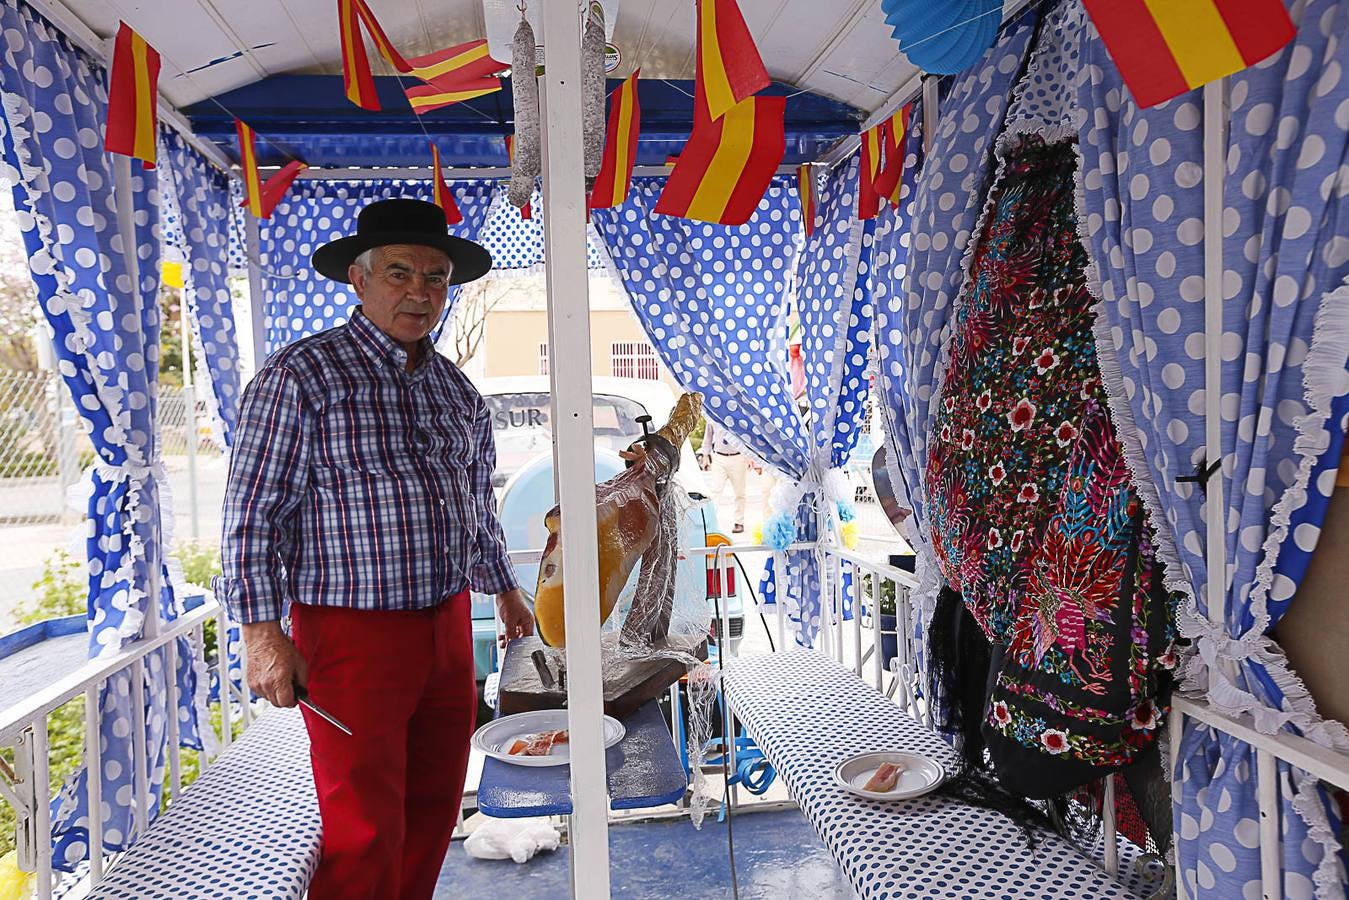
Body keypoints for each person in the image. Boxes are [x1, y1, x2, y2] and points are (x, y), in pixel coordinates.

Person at [214, 198, 535, 900]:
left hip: (448, 626)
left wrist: (505, 588)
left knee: (434, 806)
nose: (419, 293)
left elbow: (474, 505)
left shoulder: (457, 392)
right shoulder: (300, 377)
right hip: (350, 633)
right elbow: (252, 514)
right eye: (399, 273)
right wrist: (262, 633)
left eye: (435, 277)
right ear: (357, 281)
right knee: (362, 823)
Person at [698, 418, 748, 533]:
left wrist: (749, 457)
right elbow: (708, 438)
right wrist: (705, 456)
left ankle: (739, 522)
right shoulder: (712, 415)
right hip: (719, 457)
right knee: (715, 491)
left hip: (738, 457)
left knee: (740, 493)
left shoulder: (738, 414)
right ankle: (710, 522)